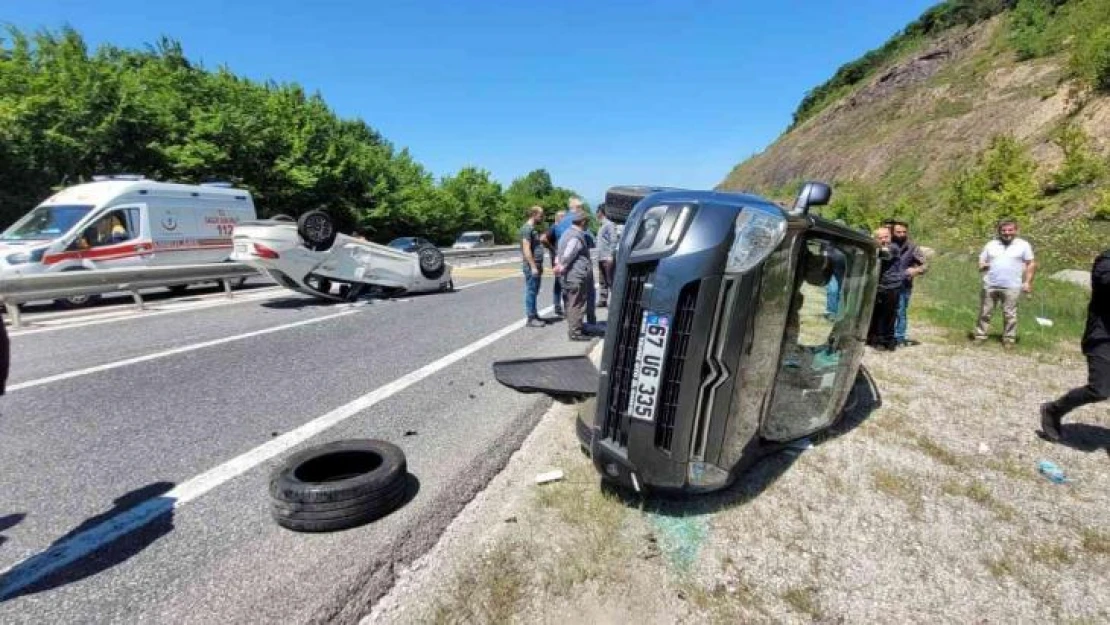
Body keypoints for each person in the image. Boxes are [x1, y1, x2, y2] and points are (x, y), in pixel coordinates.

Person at [1040, 248, 1110, 441]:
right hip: (1103, 337)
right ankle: (1053, 410)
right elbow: (1105, 282)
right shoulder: (1106, 260)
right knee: (1100, 389)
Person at [973, 219, 1036, 349]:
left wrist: (1028, 282)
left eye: (1010, 230)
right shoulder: (991, 244)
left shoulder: (1023, 245)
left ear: (1016, 230)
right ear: (999, 231)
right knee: (985, 312)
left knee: (1010, 314)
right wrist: (982, 265)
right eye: (1004, 230)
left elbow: (1031, 263)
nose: (1007, 233)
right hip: (990, 284)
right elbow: (981, 259)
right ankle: (980, 336)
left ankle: (1009, 339)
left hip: (1012, 285)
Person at [884, 219, 928, 346]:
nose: (902, 234)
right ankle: (884, 334)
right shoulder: (887, 244)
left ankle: (899, 337)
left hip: (903, 285)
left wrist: (916, 270)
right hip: (886, 283)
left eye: (904, 232)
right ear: (893, 232)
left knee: (900, 311)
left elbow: (925, 265)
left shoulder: (912, 247)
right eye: (898, 232)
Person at [553, 209, 594, 341]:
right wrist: (562, 265)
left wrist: (559, 265)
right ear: (582, 222)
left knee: (572, 302)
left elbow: (560, 253)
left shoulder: (566, 233)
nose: (587, 224)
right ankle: (576, 332)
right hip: (575, 275)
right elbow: (568, 254)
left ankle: (576, 328)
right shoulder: (576, 236)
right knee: (576, 303)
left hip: (568, 275)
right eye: (587, 222)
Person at [867, 226, 904, 351]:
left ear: (890, 236)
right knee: (876, 313)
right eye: (880, 237)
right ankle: (873, 338)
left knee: (888, 315)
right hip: (879, 286)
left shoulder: (893, 248)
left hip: (892, 286)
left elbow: (883, 253)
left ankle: (886, 341)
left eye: (886, 236)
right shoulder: (877, 246)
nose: (884, 240)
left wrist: (871, 245)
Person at [520, 206, 546, 328]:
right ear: (534, 214)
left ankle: (534, 314)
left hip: (537, 264)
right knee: (531, 291)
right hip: (532, 265)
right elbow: (526, 248)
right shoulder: (527, 229)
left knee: (535, 291)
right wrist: (533, 266)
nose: (542, 217)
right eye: (541, 215)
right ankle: (531, 318)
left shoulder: (533, 229)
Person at [542, 210, 566, 317]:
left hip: (561, 259)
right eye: (563, 217)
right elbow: (543, 239)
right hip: (557, 259)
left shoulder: (560, 228)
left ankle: (558, 306)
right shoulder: (554, 227)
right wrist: (553, 249)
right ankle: (561, 306)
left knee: (559, 282)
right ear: (558, 218)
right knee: (562, 282)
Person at [595, 205, 620, 308]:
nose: (596, 214)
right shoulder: (602, 225)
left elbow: (614, 240)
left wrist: (610, 255)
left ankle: (615, 301)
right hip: (601, 257)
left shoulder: (609, 224)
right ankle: (603, 299)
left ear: (601, 212)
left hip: (607, 257)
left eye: (597, 212)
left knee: (611, 280)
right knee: (602, 280)